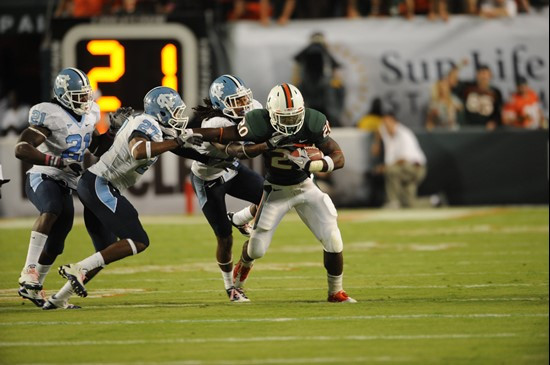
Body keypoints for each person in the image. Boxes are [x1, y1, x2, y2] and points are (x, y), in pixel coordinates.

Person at [202, 83, 356, 303]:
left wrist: (314, 165)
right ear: (271, 114)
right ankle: (236, 286)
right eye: (285, 117)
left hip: (306, 186)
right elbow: (227, 135)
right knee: (256, 249)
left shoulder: (313, 122)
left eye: (294, 117)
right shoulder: (258, 122)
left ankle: (336, 291)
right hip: (276, 190)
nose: (291, 122)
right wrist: (193, 132)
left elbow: (338, 156)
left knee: (333, 238)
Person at [53, 86, 201, 302]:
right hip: (100, 184)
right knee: (139, 240)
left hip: (94, 184)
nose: (180, 116)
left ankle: (58, 298)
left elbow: (178, 146)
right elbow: (138, 151)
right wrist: (178, 141)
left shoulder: (154, 126)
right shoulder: (146, 123)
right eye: (175, 111)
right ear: (162, 111)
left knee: (105, 252)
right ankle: (78, 268)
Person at [13, 67, 122, 309]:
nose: (85, 100)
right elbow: (22, 148)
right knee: (51, 208)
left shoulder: (90, 113)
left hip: (67, 181)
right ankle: (29, 270)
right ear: (63, 95)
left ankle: (33, 287)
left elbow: (94, 148)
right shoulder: (50, 115)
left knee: (57, 242)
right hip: (44, 175)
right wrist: (58, 161)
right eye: (79, 95)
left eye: (86, 95)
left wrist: (112, 132)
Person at [190, 75, 269, 302]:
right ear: (220, 104)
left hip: (231, 170)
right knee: (224, 238)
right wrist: (267, 144)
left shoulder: (254, 107)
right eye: (236, 101)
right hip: (209, 179)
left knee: (270, 193)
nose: (244, 105)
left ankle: (241, 218)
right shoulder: (214, 124)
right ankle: (230, 287)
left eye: (244, 98)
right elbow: (235, 150)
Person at [372, 109, 427, 209]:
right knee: (409, 204)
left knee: (391, 170)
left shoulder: (404, 134)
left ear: (394, 122)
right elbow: (375, 151)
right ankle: (435, 201)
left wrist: (385, 167)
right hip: (403, 169)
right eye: (383, 123)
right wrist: (377, 139)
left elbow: (404, 159)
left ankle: (392, 202)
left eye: (387, 122)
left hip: (415, 169)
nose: (385, 125)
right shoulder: (387, 135)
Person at [293, 32, 345, 127]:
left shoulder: (319, 52)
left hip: (314, 84)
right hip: (313, 84)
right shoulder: (322, 52)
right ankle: (333, 120)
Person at [456, 64, 503, 130]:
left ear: (490, 75)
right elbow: (452, 83)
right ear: (477, 75)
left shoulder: (495, 92)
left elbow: (498, 111)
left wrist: (494, 122)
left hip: (486, 128)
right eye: (481, 74)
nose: (483, 77)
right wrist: (460, 65)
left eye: (485, 74)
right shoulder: (468, 87)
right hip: (468, 127)